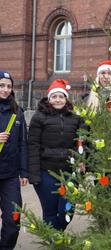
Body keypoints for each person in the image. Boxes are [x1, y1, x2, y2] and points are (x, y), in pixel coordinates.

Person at [28, 79, 86, 231]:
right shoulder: (39, 117)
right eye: (54, 96)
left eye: (61, 96)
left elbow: (81, 142)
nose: (58, 99)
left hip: (69, 172)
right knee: (50, 211)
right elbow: (33, 146)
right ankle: (54, 241)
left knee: (67, 209)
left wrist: (81, 160)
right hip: (46, 171)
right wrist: (33, 175)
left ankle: (56, 234)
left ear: (66, 98)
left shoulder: (76, 118)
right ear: (49, 99)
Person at [0, 71, 28, 249]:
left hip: (10, 176)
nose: (5, 89)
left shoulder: (18, 112)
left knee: (13, 219)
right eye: (1, 85)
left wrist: (24, 172)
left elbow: (23, 144)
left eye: (9, 86)